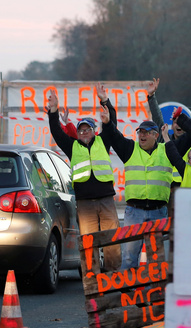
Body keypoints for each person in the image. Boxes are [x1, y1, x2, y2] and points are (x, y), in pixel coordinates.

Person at [47, 86, 120, 275]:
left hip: (106, 200)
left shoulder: (103, 141)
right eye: (81, 129)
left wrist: (105, 101)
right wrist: (53, 111)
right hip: (85, 203)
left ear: (95, 131)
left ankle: (113, 275)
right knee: (89, 242)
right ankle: (92, 278)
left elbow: (111, 122)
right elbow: (56, 131)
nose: (84, 132)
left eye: (88, 129)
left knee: (112, 240)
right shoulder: (72, 147)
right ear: (77, 133)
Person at [99, 106, 172, 270]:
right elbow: (115, 136)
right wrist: (108, 122)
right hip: (134, 211)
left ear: (156, 135)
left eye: (146, 132)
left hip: (158, 211)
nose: (142, 135)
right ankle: (128, 290)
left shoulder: (166, 150)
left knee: (156, 256)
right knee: (130, 255)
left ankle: (156, 290)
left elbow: (188, 141)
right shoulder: (130, 149)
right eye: (140, 132)